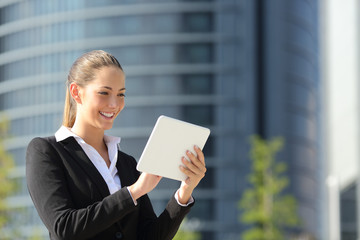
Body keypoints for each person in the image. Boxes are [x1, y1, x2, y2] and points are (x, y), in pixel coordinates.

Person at [26, 50, 207, 240]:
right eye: (104, 93)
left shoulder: (126, 163)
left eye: (121, 94)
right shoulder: (46, 152)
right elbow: (64, 228)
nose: (114, 104)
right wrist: (134, 192)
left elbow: (150, 236)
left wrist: (184, 192)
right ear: (76, 92)